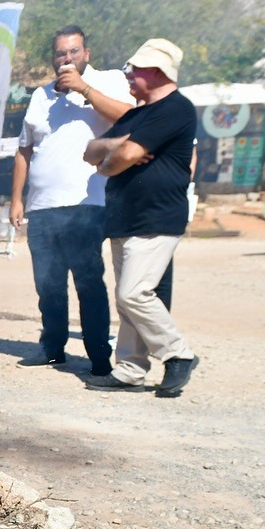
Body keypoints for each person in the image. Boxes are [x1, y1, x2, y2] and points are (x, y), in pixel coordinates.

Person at [9, 26, 132, 375]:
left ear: (86, 54)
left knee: (89, 282)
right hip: (42, 206)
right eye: (61, 53)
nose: (67, 59)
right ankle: (52, 348)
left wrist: (85, 90)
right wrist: (17, 199)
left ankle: (98, 357)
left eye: (74, 52)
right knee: (48, 283)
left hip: (85, 203)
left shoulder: (106, 83)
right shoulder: (40, 96)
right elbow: (24, 150)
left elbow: (129, 119)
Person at [83, 39, 199, 398]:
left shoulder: (176, 109)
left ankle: (178, 353)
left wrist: (118, 154)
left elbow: (122, 156)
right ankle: (131, 369)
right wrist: (118, 149)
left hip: (157, 217)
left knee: (134, 293)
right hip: (124, 217)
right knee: (127, 296)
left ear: (158, 72)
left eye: (135, 68)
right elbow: (91, 151)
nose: (128, 74)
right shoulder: (135, 115)